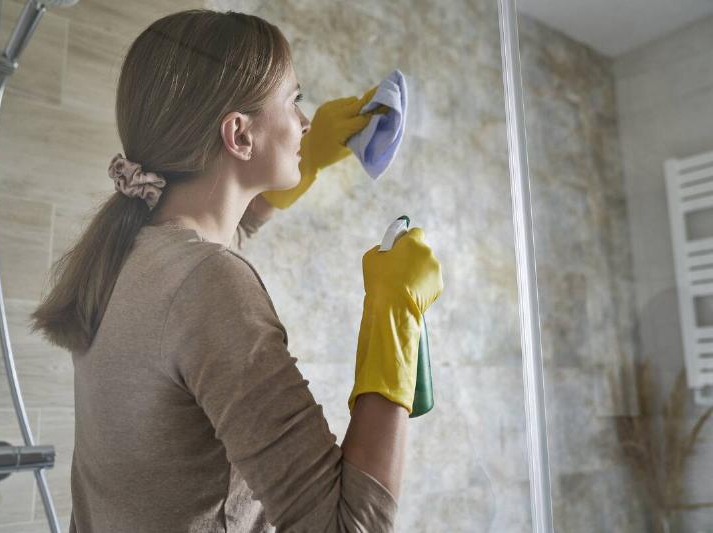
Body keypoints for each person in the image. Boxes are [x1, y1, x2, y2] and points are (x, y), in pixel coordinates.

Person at [30, 9, 443, 532]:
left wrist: (307, 159)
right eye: (294, 101)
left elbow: (219, 247)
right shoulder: (208, 282)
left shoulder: (129, 253)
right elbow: (345, 526)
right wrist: (395, 316)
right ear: (239, 135)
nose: (306, 120)